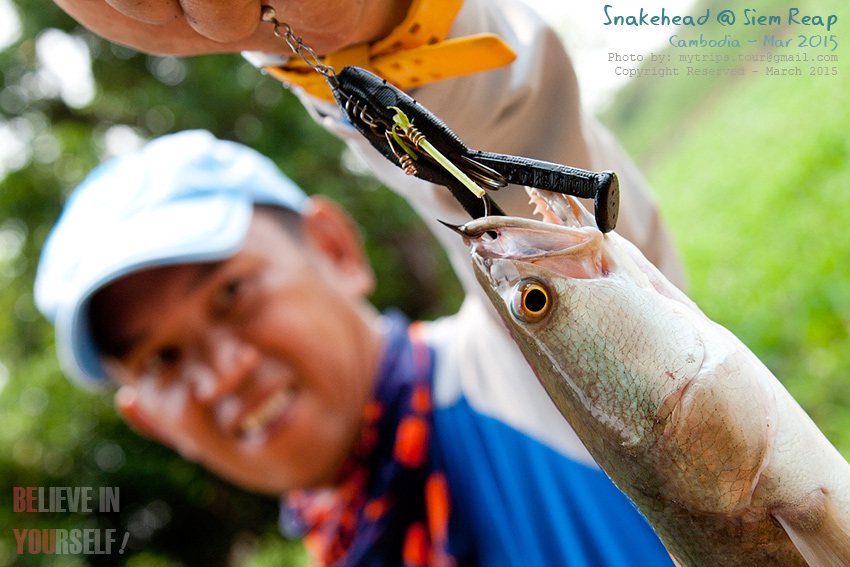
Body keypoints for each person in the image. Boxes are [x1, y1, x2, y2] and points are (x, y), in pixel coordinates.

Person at [34, 130, 676, 566]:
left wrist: (383, 35)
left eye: (231, 294)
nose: (222, 376)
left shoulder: (533, 365)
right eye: (162, 360)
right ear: (147, 421)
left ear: (335, 249)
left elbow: (530, 170)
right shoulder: (346, 542)